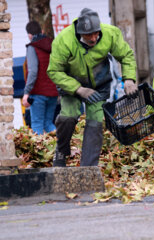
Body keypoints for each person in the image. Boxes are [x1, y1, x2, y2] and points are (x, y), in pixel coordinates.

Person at [47, 8, 138, 167]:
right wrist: (78, 89)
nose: (94, 38)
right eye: (89, 35)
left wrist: (129, 79)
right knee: (68, 117)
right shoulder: (63, 41)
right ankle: (61, 150)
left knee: (95, 124)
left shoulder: (110, 34)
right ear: (79, 31)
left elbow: (126, 56)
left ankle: (88, 167)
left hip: (99, 86)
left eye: (96, 33)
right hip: (72, 87)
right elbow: (54, 71)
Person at [22, 21, 58, 135]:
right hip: (53, 92)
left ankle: (39, 151)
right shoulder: (53, 45)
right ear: (42, 31)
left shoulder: (32, 47)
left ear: (29, 35)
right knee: (48, 123)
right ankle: (62, 146)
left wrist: (26, 92)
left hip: (38, 93)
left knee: (37, 124)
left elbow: (33, 72)